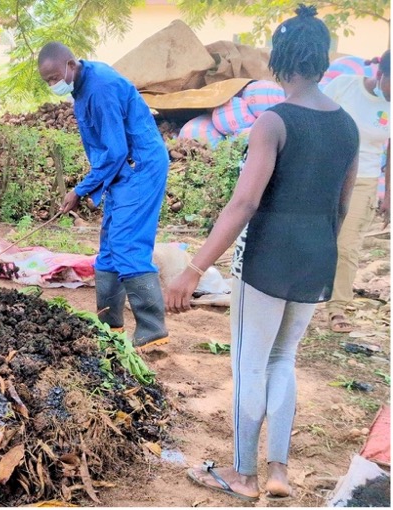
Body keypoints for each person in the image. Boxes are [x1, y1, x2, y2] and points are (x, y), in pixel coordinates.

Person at [165, 6, 358, 501]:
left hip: (269, 255)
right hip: (317, 255)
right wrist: (317, 250)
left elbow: (245, 202)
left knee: (251, 364)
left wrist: (193, 268)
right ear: (323, 60)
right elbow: (341, 206)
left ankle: (243, 475)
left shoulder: (272, 121)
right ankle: (278, 472)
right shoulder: (348, 126)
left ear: (279, 60)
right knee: (284, 359)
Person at [37, 42, 169, 350]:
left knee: (126, 243)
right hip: (122, 171)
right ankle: (110, 323)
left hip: (139, 168)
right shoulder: (82, 85)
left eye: (55, 76)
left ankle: (153, 329)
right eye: (47, 81)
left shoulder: (100, 89)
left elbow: (117, 150)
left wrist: (80, 190)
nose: (52, 84)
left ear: (71, 64)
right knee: (108, 248)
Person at [322, 50, 390, 333]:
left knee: (347, 245)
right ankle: (296, 295)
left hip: (364, 180)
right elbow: (318, 119)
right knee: (316, 237)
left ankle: (337, 307)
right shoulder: (344, 86)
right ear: (381, 74)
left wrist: (389, 197)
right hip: (326, 175)